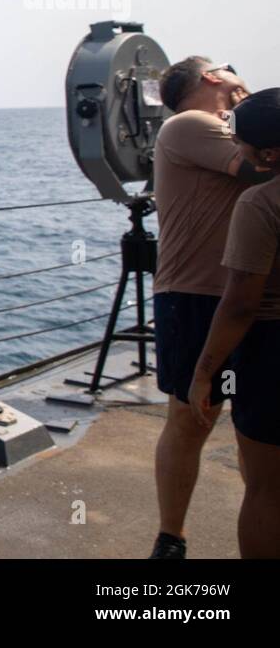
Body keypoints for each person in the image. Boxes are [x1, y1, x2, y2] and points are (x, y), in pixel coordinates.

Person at [148, 57, 273, 559]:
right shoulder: (190, 124)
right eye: (229, 66)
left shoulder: (226, 126)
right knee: (191, 417)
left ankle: (266, 513)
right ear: (212, 78)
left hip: (246, 297)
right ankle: (171, 536)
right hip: (197, 296)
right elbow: (258, 164)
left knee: (255, 425)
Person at [188, 88, 280, 558]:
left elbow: (241, 304)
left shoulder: (261, 205)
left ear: (267, 154)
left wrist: (206, 371)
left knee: (267, 491)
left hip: (271, 353)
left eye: (240, 141)